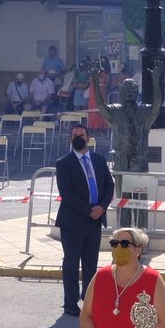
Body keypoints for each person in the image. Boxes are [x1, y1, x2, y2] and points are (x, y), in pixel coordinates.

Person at [54, 121, 114, 316]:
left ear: (88, 138)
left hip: (95, 221)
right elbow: (66, 193)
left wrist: (102, 207)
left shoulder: (99, 159)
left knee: (90, 263)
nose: (78, 139)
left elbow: (109, 185)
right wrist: (89, 210)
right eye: (74, 136)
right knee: (71, 263)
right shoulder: (64, 163)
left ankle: (88, 298)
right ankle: (70, 303)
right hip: (73, 221)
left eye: (81, 135)